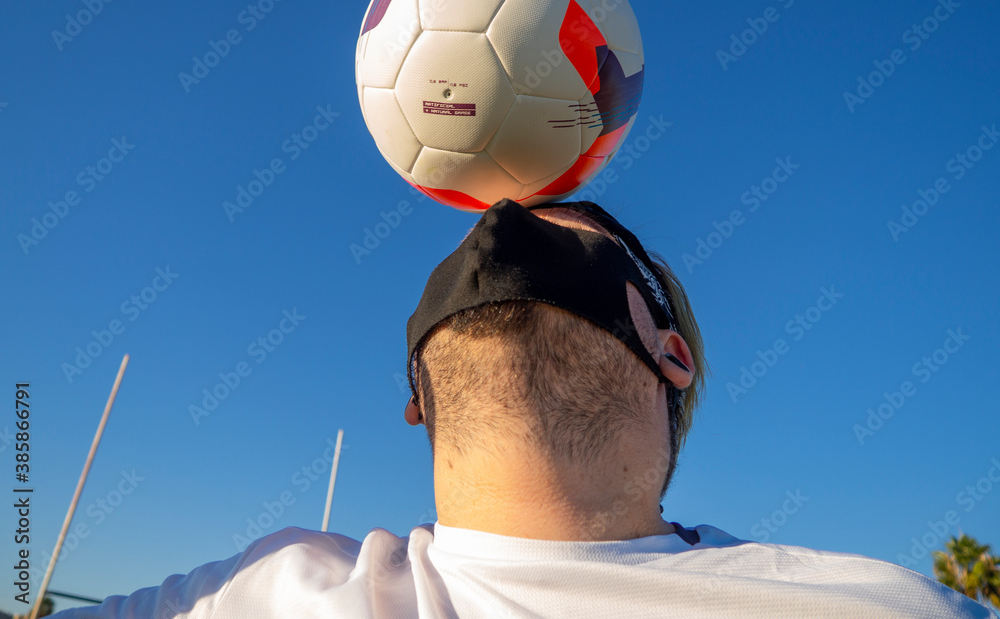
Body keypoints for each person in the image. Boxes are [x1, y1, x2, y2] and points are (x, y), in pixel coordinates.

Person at [53, 199, 989, 618]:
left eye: (562, 229)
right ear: (419, 398)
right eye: (478, 231)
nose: (501, 217)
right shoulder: (254, 592)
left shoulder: (876, 606)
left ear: (670, 351)